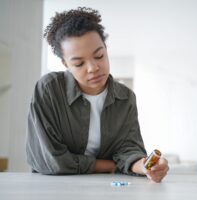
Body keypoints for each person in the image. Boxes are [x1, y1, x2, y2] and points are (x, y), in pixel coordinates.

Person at [26, 7, 169, 183]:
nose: (93, 68)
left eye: (99, 55)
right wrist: (104, 165)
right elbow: (50, 159)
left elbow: (128, 149)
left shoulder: (126, 98)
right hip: (53, 187)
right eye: (79, 63)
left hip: (107, 188)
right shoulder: (49, 90)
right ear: (65, 64)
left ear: (106, 48)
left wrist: (145, 166)